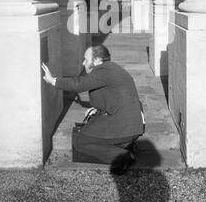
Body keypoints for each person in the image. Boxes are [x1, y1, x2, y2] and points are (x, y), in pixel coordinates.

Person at [42, 44, 144, 175]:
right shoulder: (110, 69)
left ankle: (123, 157)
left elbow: (79, 84)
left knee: (80, 141)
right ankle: (125, 145)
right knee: (92, 128)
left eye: (86, 59)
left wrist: (53, 81)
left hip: (125, 125)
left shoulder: (104, 71)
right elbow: (112, 98)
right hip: (131, 123)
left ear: (96, 61)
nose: (83, 62)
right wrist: (96, 109)